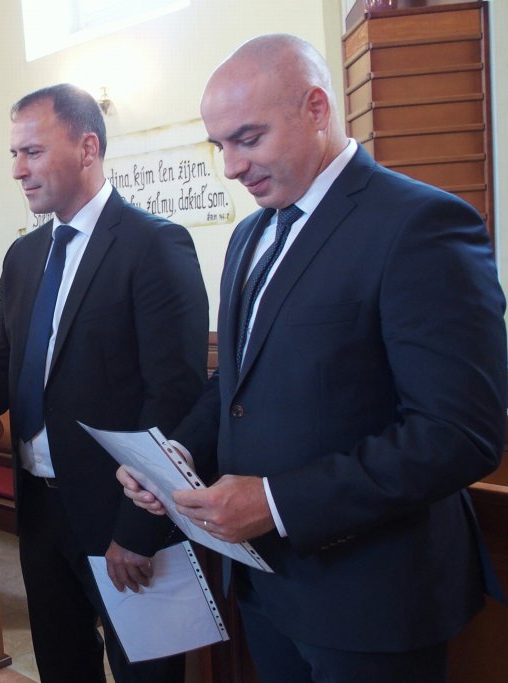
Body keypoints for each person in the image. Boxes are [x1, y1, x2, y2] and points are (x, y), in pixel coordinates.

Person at [118, 34, 506, 683]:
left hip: (372, 599)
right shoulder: (250, 233)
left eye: (248, 138)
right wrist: (176, 454)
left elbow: (459, 434)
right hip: (268, 587)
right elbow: (236, 383)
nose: (231, 167)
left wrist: (276, 502)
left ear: (317, 108)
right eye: (219, 146)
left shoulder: (420, 224)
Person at [0, 84, 209, 683]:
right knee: (63, 666)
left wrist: (141, 529)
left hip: (123, 512)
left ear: (88, 147)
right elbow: (5, 365)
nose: (18, 170)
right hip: (41, 509)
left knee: (147, 674)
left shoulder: (154, 244)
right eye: (14, 154)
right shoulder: (24, 256)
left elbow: (174, 398)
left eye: (33, 152)